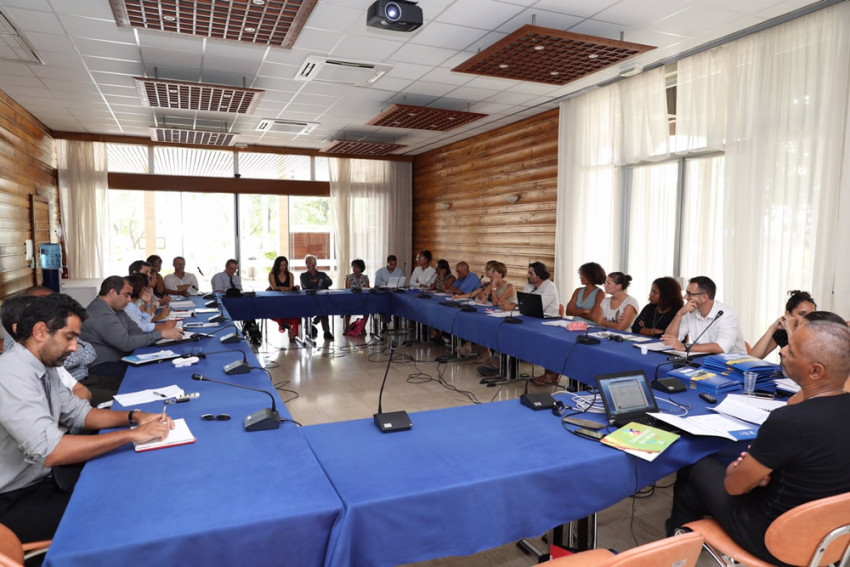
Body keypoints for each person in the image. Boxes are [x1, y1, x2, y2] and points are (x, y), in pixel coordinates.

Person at [665, 320, 850, 563]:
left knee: (695, 466)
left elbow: (734, 487)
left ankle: (674, 552)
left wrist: (737, 468)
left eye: (791, 351)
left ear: (816, 371)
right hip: (834, 535)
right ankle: (678, 547)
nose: (782, 351)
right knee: (691, 492)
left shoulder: (789, 421)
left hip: (775, 538)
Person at [0, 293, 174, 543]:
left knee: (130, 483)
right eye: (69, 337)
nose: (74, 347)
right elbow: (52, 451)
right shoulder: (11, 374)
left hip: (46, 478)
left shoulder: (41, 366)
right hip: (15, 499)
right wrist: (132, 435)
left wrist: (135, 416)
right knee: (124, 515)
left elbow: (80, 413)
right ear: (40, 332)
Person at [80, 276, 183, 393]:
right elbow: (126, 343)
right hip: (103, 367)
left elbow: (136, 330)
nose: (129, 300)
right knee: (152, 374)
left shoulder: (116, 308)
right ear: (113, 293)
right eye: (126, 295)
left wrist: (142, 337)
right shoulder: (100, 313)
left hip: (122, 358)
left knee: (161, 365)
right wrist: (161, 334)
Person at [1, 295, 92, 402]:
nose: (46, 323)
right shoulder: (13, 371)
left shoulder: (46, 358)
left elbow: (77, 398)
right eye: (36, 319)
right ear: (17, 328)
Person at [662, 276, 747, 354]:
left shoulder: (727, 315)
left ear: (704, 297)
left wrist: (684, 347)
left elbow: (722, 347)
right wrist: (679, 314)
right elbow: (669, 340)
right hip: (705, 359)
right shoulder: (690, 310)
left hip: (733, 364)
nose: (685, 297)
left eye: (689, 293)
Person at [523, 262, 562, 385]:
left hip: (549, 321)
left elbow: (540, 306)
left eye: (531, 273)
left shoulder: (549, 286)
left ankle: (550, 375)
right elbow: (524, 302)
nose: (528, 275)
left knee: (546, 341)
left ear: (539, 275)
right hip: (533, 319)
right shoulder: (529, 285)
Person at [750, 290, 816, 359]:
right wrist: (772, 328)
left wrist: (790, 331)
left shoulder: (817, 335)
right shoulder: (783, 333)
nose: (808, 318)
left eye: (812, 314)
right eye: (802, 314)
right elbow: (751, 359)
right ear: (788, 314)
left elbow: (799, 362)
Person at [300, 255, 333, 341]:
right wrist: (319, 281)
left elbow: (329, 282)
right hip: (309, 299)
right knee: (321, 307)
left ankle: (327, 332)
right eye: (307, 263)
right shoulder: (303, 275)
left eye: (310, 262)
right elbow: (307, 285)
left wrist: (317, 281)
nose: (308, 264)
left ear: (315, 264)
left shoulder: (322, 274)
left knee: (324, 307)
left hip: (322, 299)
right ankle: (314, 320)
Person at [267, 256, 300, 342]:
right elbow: (274, 288)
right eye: (281, 265)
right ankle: (286, 325)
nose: (283, 267)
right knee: (282, 309)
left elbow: (291, 288)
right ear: (277, 265)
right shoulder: (272, 275)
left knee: (295, 309)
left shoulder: (290, 275)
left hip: (288, 299)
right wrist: (282, 288)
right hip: (275, 300)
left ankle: (290, 329)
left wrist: (295, 288)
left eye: (284, 265)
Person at [344, 259, 370, 332]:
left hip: (363, 299)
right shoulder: (349, 277)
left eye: (356, 267)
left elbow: (367, 289)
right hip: (351, 299)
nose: (354, 268)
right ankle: (347, 327)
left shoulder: (365, 278)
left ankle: (363, 327)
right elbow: (347, 289)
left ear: (361, 268)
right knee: (347, 307)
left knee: (367, 308)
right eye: (353, 267)